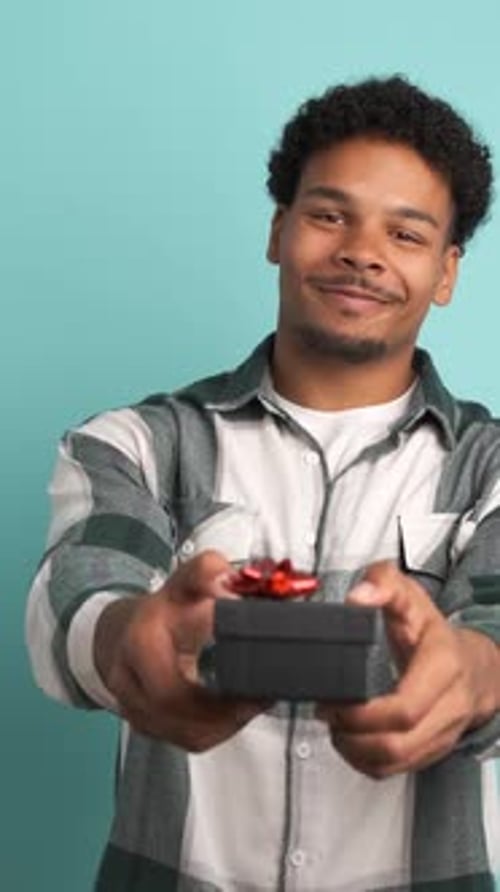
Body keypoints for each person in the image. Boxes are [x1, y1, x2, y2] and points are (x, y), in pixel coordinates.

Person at [26, 75, 500, 891]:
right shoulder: (134, 444)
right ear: (279, 230)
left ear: (447, 272)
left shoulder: (490, 468)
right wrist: (126, 641)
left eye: (407, 234)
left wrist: (474, 669)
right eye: (329, 215)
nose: (361, 251)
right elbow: (78, 594)